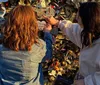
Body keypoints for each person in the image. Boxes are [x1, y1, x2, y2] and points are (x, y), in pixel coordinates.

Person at [44, 2, 100, 85]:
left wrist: (86, 82)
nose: (76, 18)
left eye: (79, 16)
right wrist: (57, 23)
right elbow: (75, 30)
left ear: (87, 20)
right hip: (83, 75)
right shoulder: (90, 32)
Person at [0, 5, 52, 85]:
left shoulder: (1, 48)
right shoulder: (38, 47)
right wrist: (47, 34)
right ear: (33, 24)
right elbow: (48, 55)